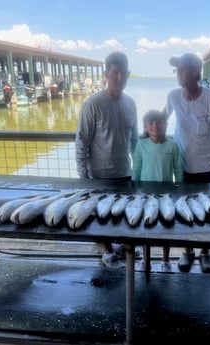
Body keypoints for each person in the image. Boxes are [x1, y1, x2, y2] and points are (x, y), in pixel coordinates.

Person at [165, 53, 210, 274]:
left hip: (206, 166)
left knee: (207, 211)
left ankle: (205, 252)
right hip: (181, 166)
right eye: (177, 70)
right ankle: (187, 251)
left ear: (195, 72)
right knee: (184, 210)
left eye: (183, 69)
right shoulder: (173, 96)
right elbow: (160, 119)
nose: (179, 74)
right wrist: (146, 144)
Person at [75, 51, 138, 269]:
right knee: (100, 217)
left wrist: (140, 169)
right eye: (115, 73)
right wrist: (84, 179)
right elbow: (81, 142)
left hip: (125, 173)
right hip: (99, 175)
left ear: (129, 74)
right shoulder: (93, 104)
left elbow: (135, 141)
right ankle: (107, 251)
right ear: (106, 74)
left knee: (122, 215)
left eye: (124, 73)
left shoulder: (131, 103)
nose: (119, 78)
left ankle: (120, 247)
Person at [132, 109, 183, 273]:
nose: (155, 126)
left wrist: (179, 188)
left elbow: (178, 170)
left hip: (166, 195)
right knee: (145, 226)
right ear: (146, 127)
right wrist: (135, 189)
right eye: (151, 123)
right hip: (146, 194)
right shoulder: (141, 145)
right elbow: (136, 169)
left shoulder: (172, 145)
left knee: (166, 226)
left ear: (165, 125)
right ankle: (145, 258)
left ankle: (166, 259)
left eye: (159, 122)